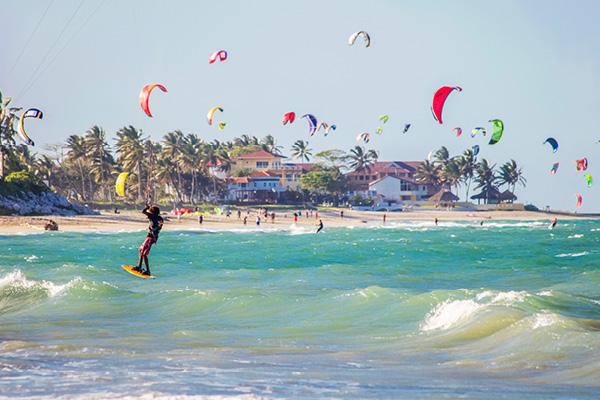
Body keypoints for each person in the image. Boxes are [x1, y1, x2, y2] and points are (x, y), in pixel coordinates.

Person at [133, 205, 163, 276]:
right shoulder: (160, 218)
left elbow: (143, 211)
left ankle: (148, 271)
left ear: (153, 212)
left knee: (144, 253)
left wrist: (147, 207)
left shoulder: (153, 216)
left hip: (151, 237)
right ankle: (139, 267)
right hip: (153, 237)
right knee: (141, 250)